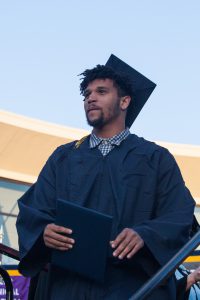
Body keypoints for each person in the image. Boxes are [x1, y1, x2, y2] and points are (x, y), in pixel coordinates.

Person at [16, 54, 195, 299]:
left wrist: (145, 234)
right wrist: (44, 231)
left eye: (101, 91)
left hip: (130, 287)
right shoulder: (64, 157)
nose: (90, 98)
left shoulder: (155, 158)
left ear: (124, 102)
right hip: (68, 287)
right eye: (87, 94)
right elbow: (35, 210)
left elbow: (179, 214)